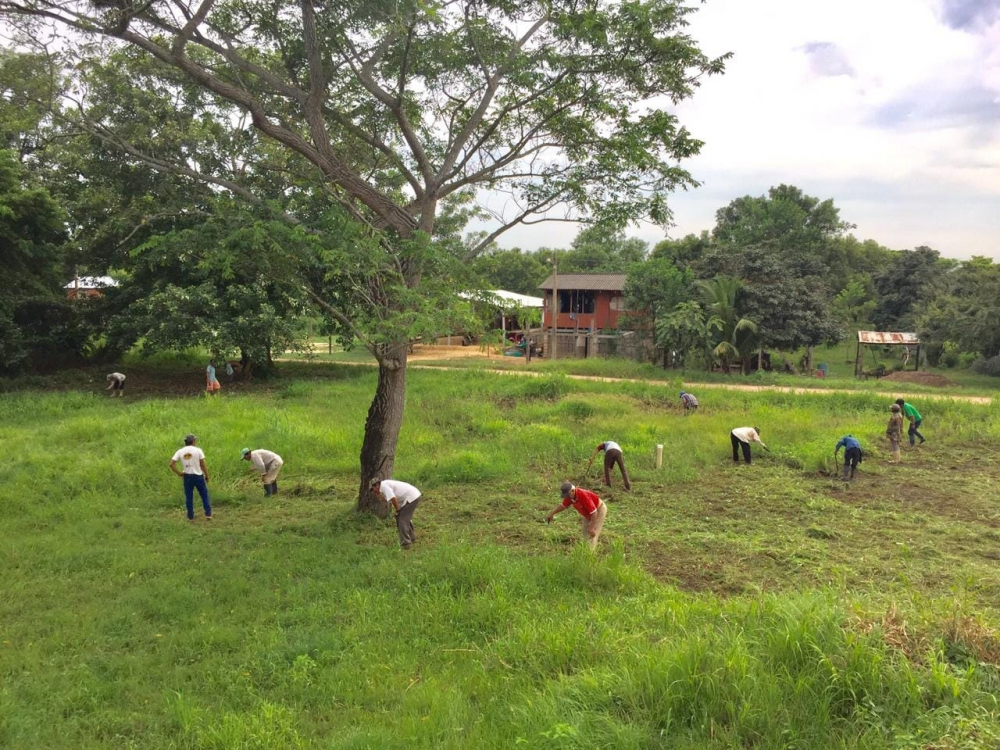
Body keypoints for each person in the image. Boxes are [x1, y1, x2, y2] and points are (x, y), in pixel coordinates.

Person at [545, 482, 607, 550]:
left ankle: (590, 556)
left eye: (568, 495)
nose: (567, 497)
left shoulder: (583, 496)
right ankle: (585, 552)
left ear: (572, 491)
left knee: (592, 534)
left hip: (598, 510)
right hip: (588, 513)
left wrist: (592, 527)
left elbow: (594, 513)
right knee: (585, 533)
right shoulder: (570, 496)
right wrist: (552, 514)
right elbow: (563, 506)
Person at [369, 477, 422, 549]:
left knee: (402, 519)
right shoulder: (384, 486)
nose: (373, 491)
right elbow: (389, 500)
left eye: (373, 489)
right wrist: (379, 495)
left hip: (411, 496)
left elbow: (393, 498)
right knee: (404, 518)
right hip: (412, 495)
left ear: (377, 485)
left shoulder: (384, 486)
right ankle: (412, 538)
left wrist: (397, 510)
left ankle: (406, 544)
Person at [169, 434, 212, 522]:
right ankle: (208, 514)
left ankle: (190, 517)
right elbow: (202, 464)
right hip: (198, 476)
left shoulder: (180, 451)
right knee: (204, 495)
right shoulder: (198, 450)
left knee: (189, 497)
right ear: (193, 441)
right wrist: (207, 475)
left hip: (187, 476)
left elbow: (171, 464)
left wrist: (179, 473)